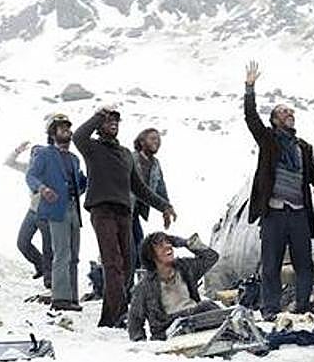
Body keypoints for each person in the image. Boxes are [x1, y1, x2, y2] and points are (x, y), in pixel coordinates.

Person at [73, 106, 177, 327]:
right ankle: (117, 316)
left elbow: (139, 187)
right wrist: (99, 114)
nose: (113, 123)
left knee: (128, 264)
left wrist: (164, 206)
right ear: (100, 126)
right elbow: (78, 135)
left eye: (116, 121)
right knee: (113, 263)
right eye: (109, 120)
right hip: (102, 210)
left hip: (124, 213)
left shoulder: (124, 155)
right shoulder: (92, 148)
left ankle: (113, 315)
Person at [243, 60, 314, 320]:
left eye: (291, 112)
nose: (289, 114)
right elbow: (251, 118)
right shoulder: (269, 140)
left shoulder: (303, 147)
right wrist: (249, 88)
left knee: (304, 263)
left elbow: (311, 172)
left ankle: (302, 305)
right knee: (272, 264)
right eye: (283, 112)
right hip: (275, 212)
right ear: (275, 120)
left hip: (298, 212)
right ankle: (270, 309)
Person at [26, 113, 87, 310]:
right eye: (62, 128)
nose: (67, 131)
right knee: (62, 252)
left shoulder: (75, 159)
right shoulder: (44, 154)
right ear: (53, 132)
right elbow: (31, 176)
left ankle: (72, 297)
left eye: (68, 128)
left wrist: (86, 181)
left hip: (73, 208)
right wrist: (43, 189)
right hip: (55, 209)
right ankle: (60, 299)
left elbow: (80, 184)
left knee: (75, 255)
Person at [127, 232, 221, 341]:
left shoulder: (185, 267)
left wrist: (186, 243)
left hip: (196, 318)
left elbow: (211, 257)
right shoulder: (144, 286)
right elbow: (135, 320)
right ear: (150, 255)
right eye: (160, 245)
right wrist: (143, 344)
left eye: (168, 242)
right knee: (206, 307)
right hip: (170, 330)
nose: (167, 246)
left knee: (208, 306)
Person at [4, 141, 51, 281]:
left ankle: (50, 278)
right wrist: (18, 150)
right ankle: (40, 265)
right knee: (22, 243)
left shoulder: (50, 171)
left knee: (48, 247)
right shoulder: (29, 169)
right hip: (32, 211)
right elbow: (9, 162)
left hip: (47, 213)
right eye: (33, 155)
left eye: (38, 156)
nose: (35, 159)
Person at [130, 128, 170, 268]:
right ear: (142, 141)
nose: (157, 142)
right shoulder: (130, 158)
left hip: (136, 210)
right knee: (132, 245)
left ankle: (135, 278)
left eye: (158, 139)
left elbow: (160, 187)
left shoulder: (155, 164)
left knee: (139, 245)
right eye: (152, 138)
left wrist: (167, 208)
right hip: (124, 207)